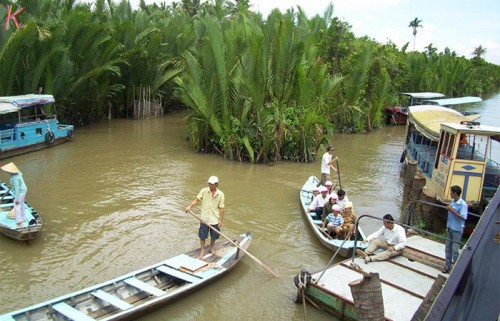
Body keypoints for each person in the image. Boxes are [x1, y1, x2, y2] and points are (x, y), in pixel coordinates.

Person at [185, 176, 225, 260]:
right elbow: (197, 200)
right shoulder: (204, 191)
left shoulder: (220, 194)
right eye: (209, 183)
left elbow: (221, 208)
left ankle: (211, 247)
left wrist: (220, 220)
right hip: (204, 219)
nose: (210, 185)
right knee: (202, 236)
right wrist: (190, 206)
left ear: (216, 184)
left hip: (214, 219)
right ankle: (202, 251)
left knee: (214, 235)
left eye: (212, 184)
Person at [442, 185, 468, 274]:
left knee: (455, 250)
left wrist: (451, 210)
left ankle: (457, 268)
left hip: (457, 229)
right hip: (450, 228)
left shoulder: (462, 204)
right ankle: (447, 265)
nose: (450, 194)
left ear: (455, 193)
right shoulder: (453, 201)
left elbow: (463, 217)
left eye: (451, 192)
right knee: (448, 248)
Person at [1, 162, 28, 227]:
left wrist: (16, 199)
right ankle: (23, 218)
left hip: (20, 191)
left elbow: (17, 189)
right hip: (24, 190)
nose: (7, 171)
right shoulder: (18, 173)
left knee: (17, 206)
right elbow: (21, 174)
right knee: (21, 205)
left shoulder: (14, 178)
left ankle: (19, 221)